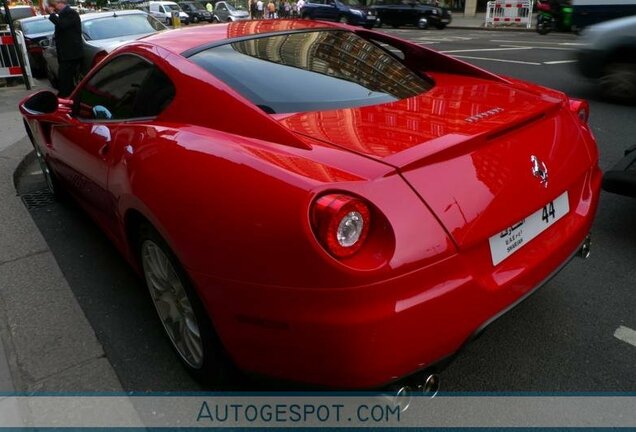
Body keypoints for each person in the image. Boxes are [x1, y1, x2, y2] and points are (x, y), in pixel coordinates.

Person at [47, 0, 82, 98]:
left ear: (60, 3)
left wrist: (52, 14)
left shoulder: (71, 13)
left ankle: (65, 96)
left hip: (71, 54)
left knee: (65, 77)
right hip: (66, 54)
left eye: (54, 6)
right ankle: (67, 96)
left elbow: (62, 25)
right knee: (65, 78)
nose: (54, 8)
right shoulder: (63, 14)